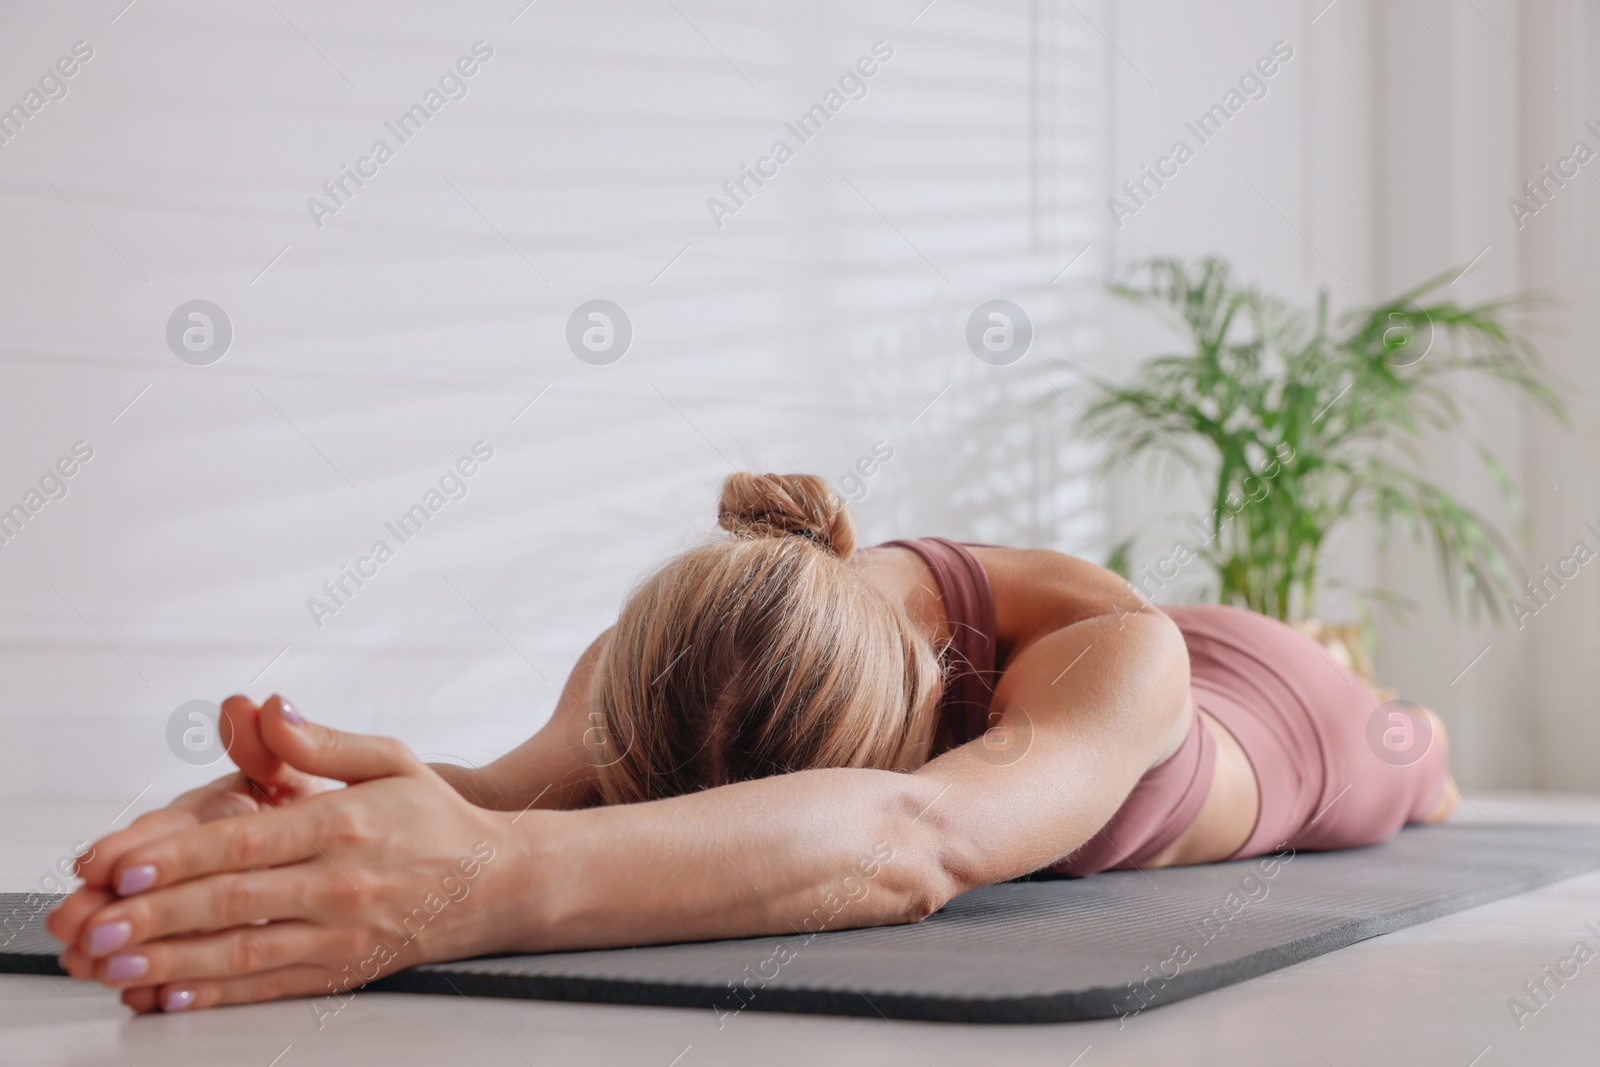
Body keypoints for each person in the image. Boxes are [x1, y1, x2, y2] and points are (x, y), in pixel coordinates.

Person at [48, 472, 1457, 1014]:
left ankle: (1366, 682)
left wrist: (476, 887)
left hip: (1260, 710)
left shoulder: (1110, 660)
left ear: (925, 706)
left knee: (1414, 763)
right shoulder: (664, 666)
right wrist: (252, 821)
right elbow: (472, 792)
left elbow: (918, 842)